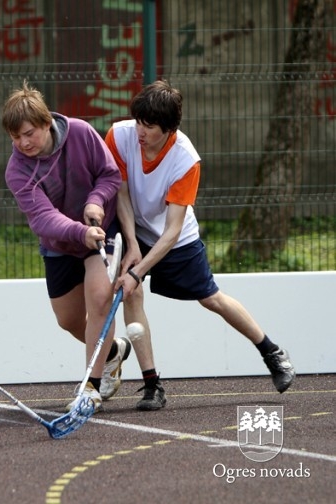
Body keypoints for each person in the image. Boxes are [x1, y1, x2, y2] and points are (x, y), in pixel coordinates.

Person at [106, 80, 296, 410]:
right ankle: (153, 385)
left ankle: (272, 352)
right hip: (133, 227)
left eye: (149, 126)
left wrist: (138, 270)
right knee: (132, 294)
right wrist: (132, 246)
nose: (140, 131)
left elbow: (171, 232)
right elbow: (120, 195)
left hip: (172, 238)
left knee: (210, 298)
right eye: (138, 121)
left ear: (169, 129)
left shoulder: (185, 160)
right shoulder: (119, 136)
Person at [1, 80, 132, 412]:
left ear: (47, 123)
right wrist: (78, 231)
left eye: (29, 133)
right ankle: (113, 352)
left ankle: (91, 387)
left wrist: (96, 201)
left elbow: (110, 174)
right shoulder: (16, 170)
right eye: (15, 137)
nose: (22, 142)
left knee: (101, 299)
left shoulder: (81, 133)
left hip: (100, 233)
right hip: (61, 243)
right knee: (69, 320)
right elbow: (42, 218)